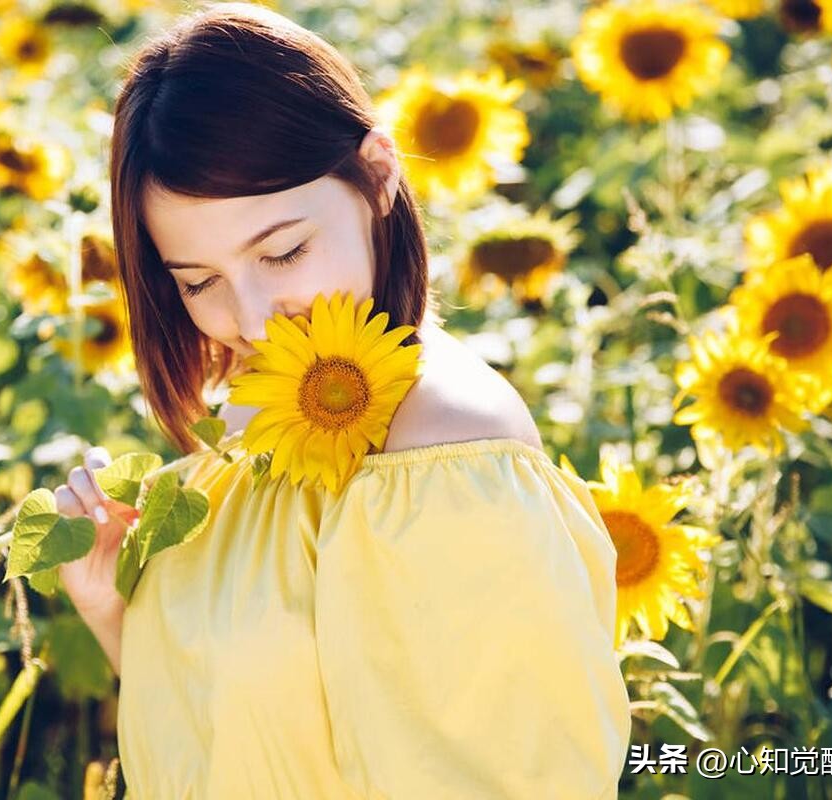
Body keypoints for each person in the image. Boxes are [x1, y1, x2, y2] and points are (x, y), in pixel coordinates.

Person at [55, 4, 631, 797]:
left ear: (379, 174)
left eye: (284, 251)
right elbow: (235, 747)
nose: (254, 318)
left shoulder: (443, 455)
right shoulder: (252, 428)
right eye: (199, 281)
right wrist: (113, 609)